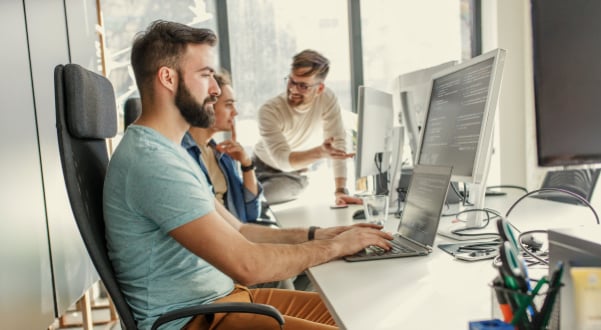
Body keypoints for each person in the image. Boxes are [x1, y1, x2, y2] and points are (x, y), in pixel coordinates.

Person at [103, 20, 393, 330]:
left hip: (224, 301)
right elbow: (248, 265)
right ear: (168, 78)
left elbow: (242, 231)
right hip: (195, 321)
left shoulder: (171, 152)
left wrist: (319, 234)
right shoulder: (153, 162)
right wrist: (336, 248)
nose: (215, 90)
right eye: (205, 76)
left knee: (361, 311)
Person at [252, 50, 362, 206]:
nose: (293, 90)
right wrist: (320, 153)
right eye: (291, 81)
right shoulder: (270, 110)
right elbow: (282, 159)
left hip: (292, 176)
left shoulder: (327, 99)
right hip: (256, 165)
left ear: (319, 88)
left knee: (254, 202)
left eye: (303, 86)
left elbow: (337, 147)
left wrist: (340, 191)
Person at [182, 71, 263, 223]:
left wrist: (246, 164)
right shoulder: (182, 154)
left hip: (237, 236)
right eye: (228, 105)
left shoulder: (222, 155)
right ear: (208, 105)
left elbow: (252, 212)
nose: (235, 112)